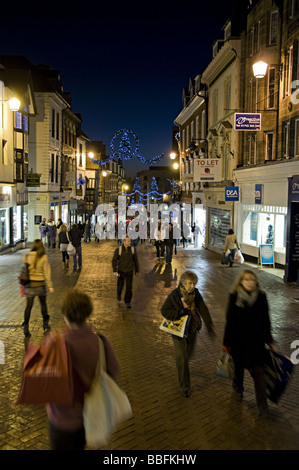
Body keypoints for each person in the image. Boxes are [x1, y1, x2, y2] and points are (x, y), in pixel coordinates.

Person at [46, 289, 120, 450]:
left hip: (61, 419)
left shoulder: (55, 343)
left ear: (65, 314)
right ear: (88, 313)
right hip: (90, 418)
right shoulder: (101, 341)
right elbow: (113, 372)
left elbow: (46, 383)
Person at [222, 269, 274, 416]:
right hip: (237, 342)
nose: (250, 282)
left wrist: (269, 339)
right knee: (238, 369)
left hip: (256, 343)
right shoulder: (234, 296)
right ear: (241, 281)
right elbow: (230, 321)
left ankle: (262, 405)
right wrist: (226, 342)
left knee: (259, 373)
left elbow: (266, 320)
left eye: (253, 279)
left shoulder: (261, 297)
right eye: (247, 279)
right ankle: (238, 386)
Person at [161, 270, 215, 398]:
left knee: (188, 354)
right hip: (178, 330)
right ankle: (185, 387)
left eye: (194, 283)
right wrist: (181, 311)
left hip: (192, 328)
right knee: (182, 357)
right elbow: (164, 311)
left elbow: (203, 308)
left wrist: (209, 325)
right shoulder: (174, 295)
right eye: (190, 283)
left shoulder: (196, 294)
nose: (192, 286)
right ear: (183, 283)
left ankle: (182, 367)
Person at [22, 239, 54, 338]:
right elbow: (46, 272)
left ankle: (26, 327)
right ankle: (45, 324)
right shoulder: (43, 257)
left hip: (29, 285)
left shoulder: (27, 256)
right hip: (40, 284)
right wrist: (50, 285)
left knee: (29, 306)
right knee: (43, 305)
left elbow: (24, 272)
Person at [112, 235, 139, 308]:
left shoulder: (133, 249)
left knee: (129, 287)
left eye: (130, 241)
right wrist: (114, 270)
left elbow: (135, 260)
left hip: (129, 271)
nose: (130, 242)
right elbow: (114, 260)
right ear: (124, 242)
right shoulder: (119, 250)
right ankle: (119, 293)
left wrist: (137, 269)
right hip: (121, 271)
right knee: (120, 285)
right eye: (128, 241)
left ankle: (127, 301)